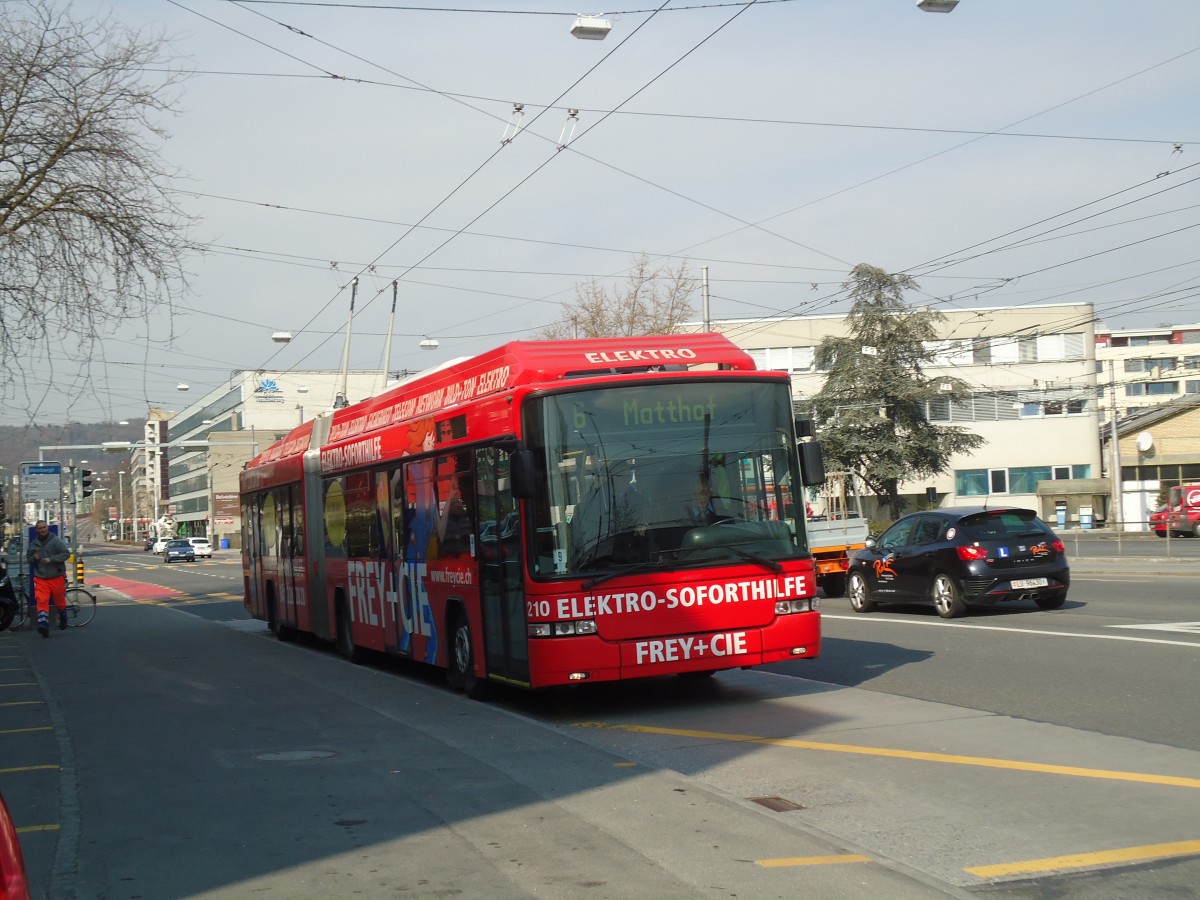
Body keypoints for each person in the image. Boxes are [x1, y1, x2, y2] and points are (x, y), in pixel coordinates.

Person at [27, 520, 71, 638]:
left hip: (56, 576)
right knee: (42, 601)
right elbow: (28, 558)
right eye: (40, 528)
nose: (42, 529)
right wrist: (33, 558)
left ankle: (63, 615)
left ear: (47, 527)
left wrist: (52, 559)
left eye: (44, 527)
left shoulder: (55, 541)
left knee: (59, 602)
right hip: (41, 577)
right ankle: (43, 625)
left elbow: (66, 554)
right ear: (36, 530)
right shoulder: (34, 543)